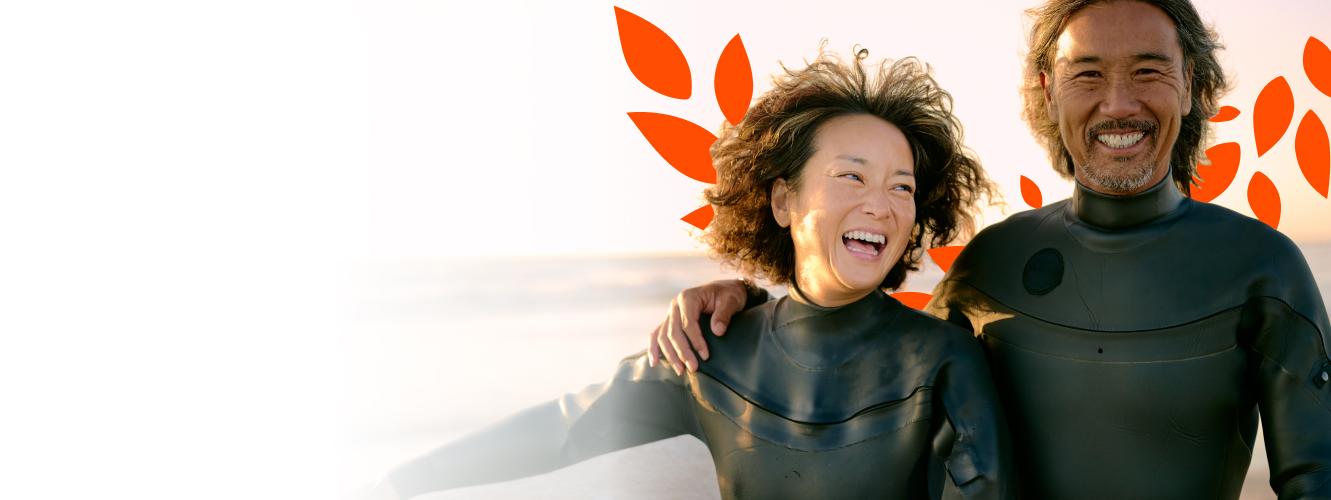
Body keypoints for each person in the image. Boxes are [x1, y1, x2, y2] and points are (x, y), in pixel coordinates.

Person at [648, 1, 1331, 498]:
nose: (1118, 102)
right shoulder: (990, 265)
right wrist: (750, 306)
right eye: (1087, 74)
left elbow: (1316, 477)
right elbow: (861, 348)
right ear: (1048, 91)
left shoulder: (1261, 269)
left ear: (1191, 85)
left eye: (1150, 71)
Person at [371, 48, 1013, 500]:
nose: (881, 202)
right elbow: (568, 426)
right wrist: (394, 484)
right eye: (852, 175)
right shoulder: (712, 345)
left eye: (902, 187)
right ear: (783, 200)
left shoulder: (942, 358)